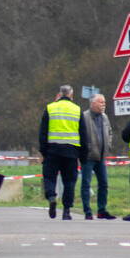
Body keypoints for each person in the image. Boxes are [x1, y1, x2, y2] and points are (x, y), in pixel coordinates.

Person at [38, 85, 88, 220]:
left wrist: (44, 151)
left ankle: (52, 197)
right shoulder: (77, 110)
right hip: (71, 152)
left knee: (49, 177)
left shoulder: (50, 108)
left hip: (52, 150)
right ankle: (66, 211)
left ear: (60, 94)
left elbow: (43, 132)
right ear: (71, 95)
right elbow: (83, 134)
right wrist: (83, 156)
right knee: (69, 181)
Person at [80, 93, 116, 220]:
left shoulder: (105, 117)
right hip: (89, 156)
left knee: (104, 183)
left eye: (104, 102)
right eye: (101, 102)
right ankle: (87, 210)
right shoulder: (84, 117)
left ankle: (102, 210)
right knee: (86, 183)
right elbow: (80, 135)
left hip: (101, 156)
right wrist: (84, 149)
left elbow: (110, 132)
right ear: (93, 103)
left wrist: (108, 146)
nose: (103, 105)